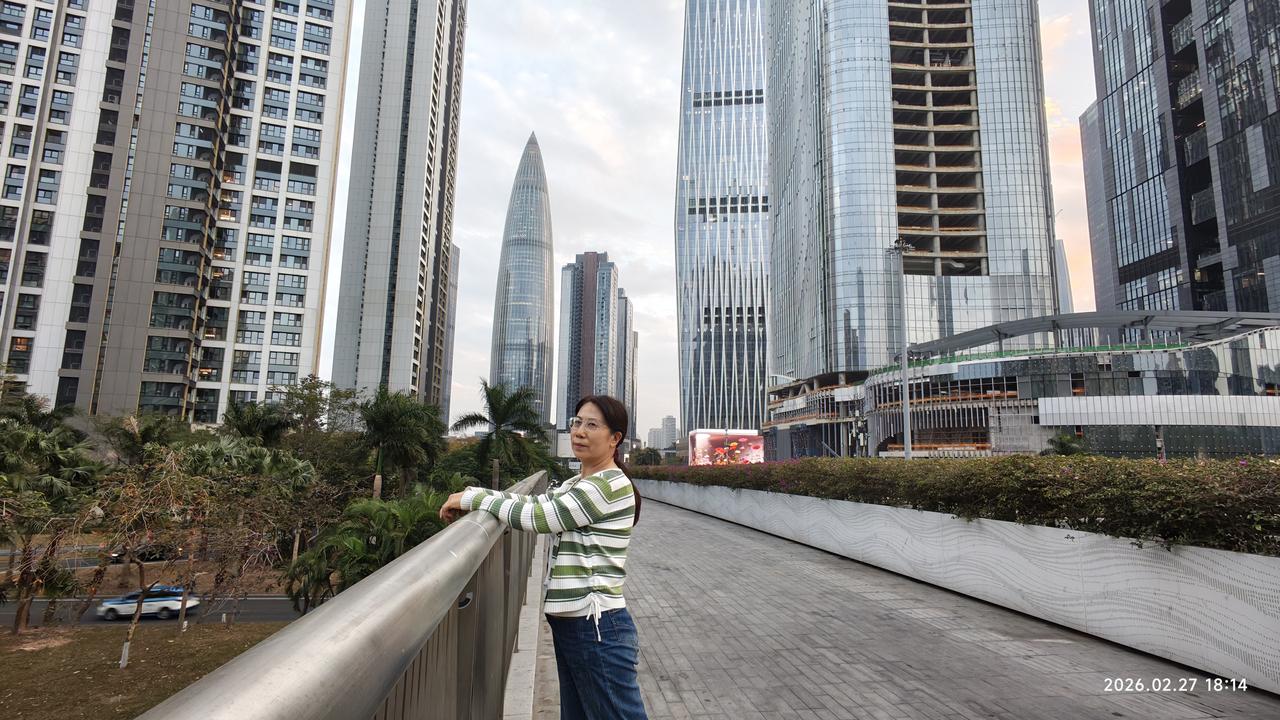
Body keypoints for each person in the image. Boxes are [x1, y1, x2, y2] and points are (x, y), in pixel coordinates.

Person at [439, 394, 648, 720]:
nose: (580, 431)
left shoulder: (607, 485)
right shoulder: (578, 483)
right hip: (577, 627)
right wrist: (474, 494)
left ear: (614, 439)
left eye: (592, 425)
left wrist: (473, 499)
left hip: (596, 628)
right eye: (577, 422)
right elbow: (534, 503)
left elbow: (540, 519)